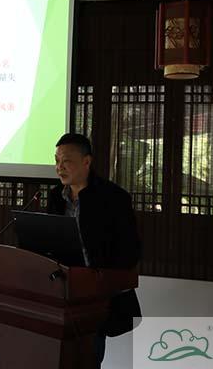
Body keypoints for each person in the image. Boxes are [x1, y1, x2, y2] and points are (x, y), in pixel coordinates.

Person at [46, 133, 142, 368]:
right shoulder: (55, 197)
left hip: (93, 297)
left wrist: (96, 273)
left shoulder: (114, 198)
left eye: (66, 161)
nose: (59, 168)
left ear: (86, 162)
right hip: (60, 291)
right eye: (57, 161)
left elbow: (130, 252)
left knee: (87, 359)